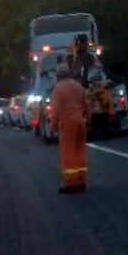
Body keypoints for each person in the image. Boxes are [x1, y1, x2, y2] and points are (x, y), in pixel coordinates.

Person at [50, 63, 90, 194]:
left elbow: (55, 111)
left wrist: (53, 126)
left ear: (58, 76)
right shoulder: (78, 87)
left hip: (68, 123)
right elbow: (87, 106)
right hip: (80, 121)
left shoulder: (58, 89)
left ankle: (72, 183)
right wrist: (89, 120)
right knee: (80, 150)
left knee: (68, 151)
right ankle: (81, 180)